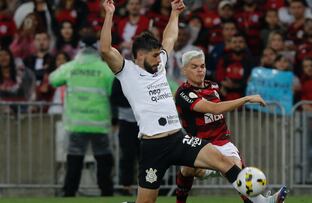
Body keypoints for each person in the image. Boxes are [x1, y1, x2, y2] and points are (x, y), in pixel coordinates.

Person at [100, 1, 287, 203]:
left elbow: (170, 37)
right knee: (146, 202)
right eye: (155, 56)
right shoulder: (126, 71)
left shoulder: (158, 65)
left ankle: (260, 202)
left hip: (178, 138)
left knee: (223, 161)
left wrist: (174, 13)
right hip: (153, 145)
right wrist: (109, 14)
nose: (159, 59)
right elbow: (105, 50)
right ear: (141, 55)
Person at [174, 49, 287, 203]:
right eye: (194, 67)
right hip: (200, 144)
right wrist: (246, 99)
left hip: (222, 141)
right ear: (184, 70)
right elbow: (214, 108)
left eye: (202, 66)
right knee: (187, 170)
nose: (200, 70)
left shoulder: (213, 86)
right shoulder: (183, 93)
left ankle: (263, 202)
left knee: (238, 172)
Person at [49, 23, 114, 197]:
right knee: (103, 159)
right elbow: (113, 91)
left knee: (74, 160)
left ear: (81, 48)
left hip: (76, 123)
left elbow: (53, 79)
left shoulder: (71, 67)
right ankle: (107, 193)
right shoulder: (104, 69)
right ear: (96, 48)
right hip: (99, 124)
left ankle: (69, 193)